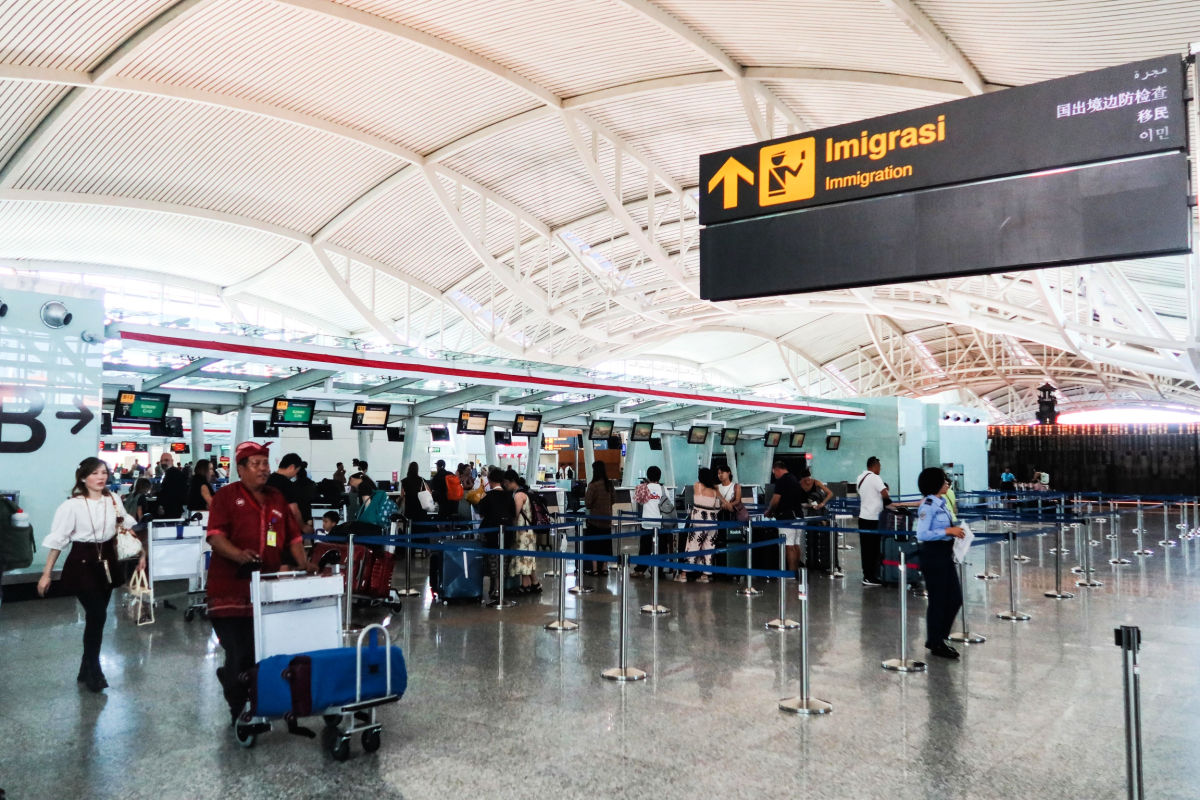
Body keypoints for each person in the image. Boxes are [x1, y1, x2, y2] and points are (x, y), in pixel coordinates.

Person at [206, 441, 311, 723]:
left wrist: (304, 565)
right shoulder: (226, 497)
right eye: (255, 464)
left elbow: (293, 536)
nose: (263, 469)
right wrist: (239, 555)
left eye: (265, 463)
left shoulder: (277, 497)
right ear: (240, 469)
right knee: (239, 653)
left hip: (265, 592)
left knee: (257, 652)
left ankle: (234, 681)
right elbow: (216, 537)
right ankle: (239, 710)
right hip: (228, 590)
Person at [37, 457, 146, 692]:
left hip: (107, 561)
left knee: (98, 618)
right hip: (82, 563)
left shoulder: (113, 499)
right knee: (96, 615)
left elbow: (127, 527)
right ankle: (95, 670)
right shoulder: (72, 506)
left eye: (104, 472)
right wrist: (47, 574)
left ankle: (85, 668)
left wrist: (142, 553)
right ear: (83, 478)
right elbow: (59, 541)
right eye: (95, 473)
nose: (101, 477)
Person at [915, 467, 965, 660]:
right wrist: (947, 532)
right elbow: (922, 534)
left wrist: (956, 531)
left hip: (945, 554)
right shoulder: (928, 505)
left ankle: (939, 637)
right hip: (933, 555)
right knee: (938, 600)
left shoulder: (942, 503)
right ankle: (936, 641)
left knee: (954, 598)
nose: (947, 483)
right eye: (944, 481)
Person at [476, 467, 516, 600]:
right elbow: (513, 513)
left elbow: (481, 513)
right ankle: (500, 588)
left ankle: (495, 588)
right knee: (504, 560)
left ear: (490, 480)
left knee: (492, 560)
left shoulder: (488, 496)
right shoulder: (509, 495)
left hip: (491, 533)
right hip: (507, 532)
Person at [681, 467, 722, 583]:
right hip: (712, 520)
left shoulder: (697, 486)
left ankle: (684, 574)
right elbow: (718, 507)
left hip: (698, 519)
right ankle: (705, 575)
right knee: (709, 546)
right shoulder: (714, 491)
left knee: (693, 544)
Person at [503, 469, 541, 594]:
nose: (505, 486)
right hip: (527, 530)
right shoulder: (525, 492)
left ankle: (531, 584)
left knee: (524, 557)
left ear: (510, 481)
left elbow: (515, 513)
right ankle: (531, 584)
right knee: (526, 558)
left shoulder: (519, 495)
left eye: (506, 483)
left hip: (522, 531)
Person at [856, 456, 890, 587]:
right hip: (874, 518)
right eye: (879, 466)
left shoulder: (860, 478)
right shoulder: (875, 478)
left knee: (866, 549)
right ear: (874, 466)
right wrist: (888, 503)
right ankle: (871, 576)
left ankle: (867, 575)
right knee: (874, 549)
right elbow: (884, 493)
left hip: (863, 517)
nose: (880, 469)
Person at [765, 461, 803, 572]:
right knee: (795, 544)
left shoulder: (782, 481)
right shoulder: (794, 479)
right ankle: (796, 571)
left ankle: (790, 574)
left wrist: (770, 511)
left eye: (774, 473)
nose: (774, 475)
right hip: (798, 515)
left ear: (777, 469)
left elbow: (776, 499)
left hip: (787, 517)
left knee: (788, 545)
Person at [633, 466, 669, 577]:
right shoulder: (663, 489)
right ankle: (659, 569)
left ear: (648, 476)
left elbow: (638, 502)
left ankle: (640, 569)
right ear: (659, 476)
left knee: (645, 547)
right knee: (662, 547)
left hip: (647, 522)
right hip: (660, 523)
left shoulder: (643, 488)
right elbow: (668, 505)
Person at [266, 453, 314, 535]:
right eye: (296, 471)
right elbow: (294, 510)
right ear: (291, 467)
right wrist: (303, 527)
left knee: (270, 546)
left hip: (266, 527)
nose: (295, 475)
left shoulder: (266, 480)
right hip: (281, 528)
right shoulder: (287, 485)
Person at [583, 461, 614, 577]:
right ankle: (605, 567)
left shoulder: (593, 485)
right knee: (605, 544)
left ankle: (595, 569)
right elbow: (614, 499)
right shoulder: (609, 485)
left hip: (594, 521)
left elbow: (587, 503)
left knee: (594, 545)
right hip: (607, 520)